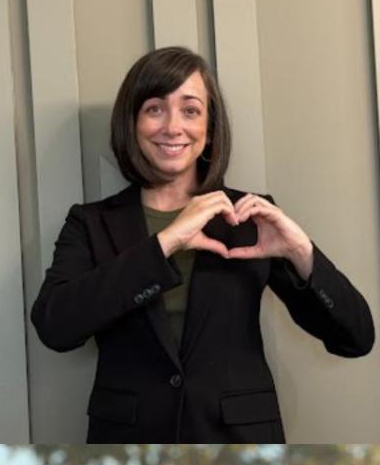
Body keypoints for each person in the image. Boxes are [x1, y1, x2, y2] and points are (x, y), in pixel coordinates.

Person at [31, 47, 373, 443]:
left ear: (209, 128)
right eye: (155, 109)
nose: (173, 127)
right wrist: (166, 242)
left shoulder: (249, 217)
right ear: (132, 122)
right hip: (129, 446)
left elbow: (356, 338)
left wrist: (301, 252)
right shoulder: (89, 223)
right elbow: (55, 327)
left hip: (238, 442)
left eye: (190, 110)